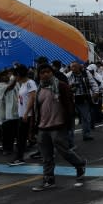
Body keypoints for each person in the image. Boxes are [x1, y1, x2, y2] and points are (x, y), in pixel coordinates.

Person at [31, 64, 87, 192]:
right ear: (39, 75)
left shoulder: (61, 86)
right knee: (46, 156)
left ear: (52, 73)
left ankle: (80, 164)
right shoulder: (40, 88)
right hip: (43, 126)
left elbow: (69, 105)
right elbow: (37, 109)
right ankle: (48, 180)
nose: (45, 74)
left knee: (64, 151)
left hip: (58, 124)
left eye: (47, 72)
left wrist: (68, 124)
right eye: (42, 72)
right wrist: (34, 126)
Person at [7, 65, 36, 166]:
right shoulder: (22, 84)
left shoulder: (30, 83)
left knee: (21, 137)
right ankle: (19, 157)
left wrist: (26, 113)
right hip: (22, 114)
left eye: (15, 75)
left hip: (27, 115)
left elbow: (32, 98)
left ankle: (19, 158)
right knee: (21, 137)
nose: (14, 77)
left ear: (19, 75)